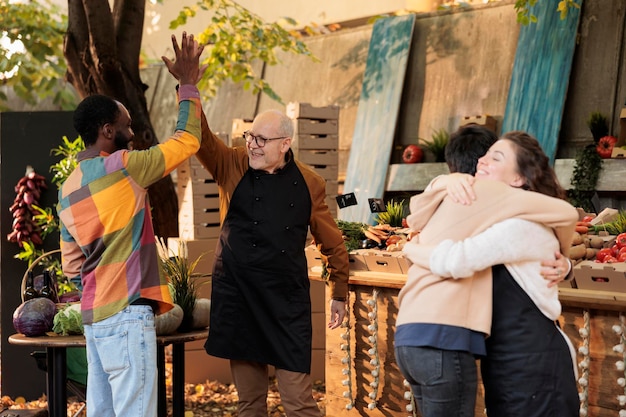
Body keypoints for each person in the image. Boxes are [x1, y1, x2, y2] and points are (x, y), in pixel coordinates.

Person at [57, 32, 205, 417]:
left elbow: (72, 269)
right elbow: (187, 140)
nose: (133, 133)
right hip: (128, 315)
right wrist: (187, 84)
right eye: (126, 126)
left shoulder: (68, 189)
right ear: (107, 131)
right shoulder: (125, 167)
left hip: (95, 321)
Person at [395, 128, 577, 417]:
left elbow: (457, 258)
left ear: (518, 178)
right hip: (505, 361)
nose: (482, 161)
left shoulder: (518, 224)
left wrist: (412, 248)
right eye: (485, 155)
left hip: (533, 362)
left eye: (496, 157)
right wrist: (447, 181)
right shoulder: (490, 212)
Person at [194, 109, 349, 417]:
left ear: (285, 144)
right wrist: (187, 90)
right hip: (240, 298)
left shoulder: (310, 183)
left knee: (299, 403)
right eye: (250, 136)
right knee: (249, 404)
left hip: (284, 304)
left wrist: (339, 292)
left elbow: (331, 242)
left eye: (262, 139)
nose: (252, 144)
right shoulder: (232, 164)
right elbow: (202, 139)